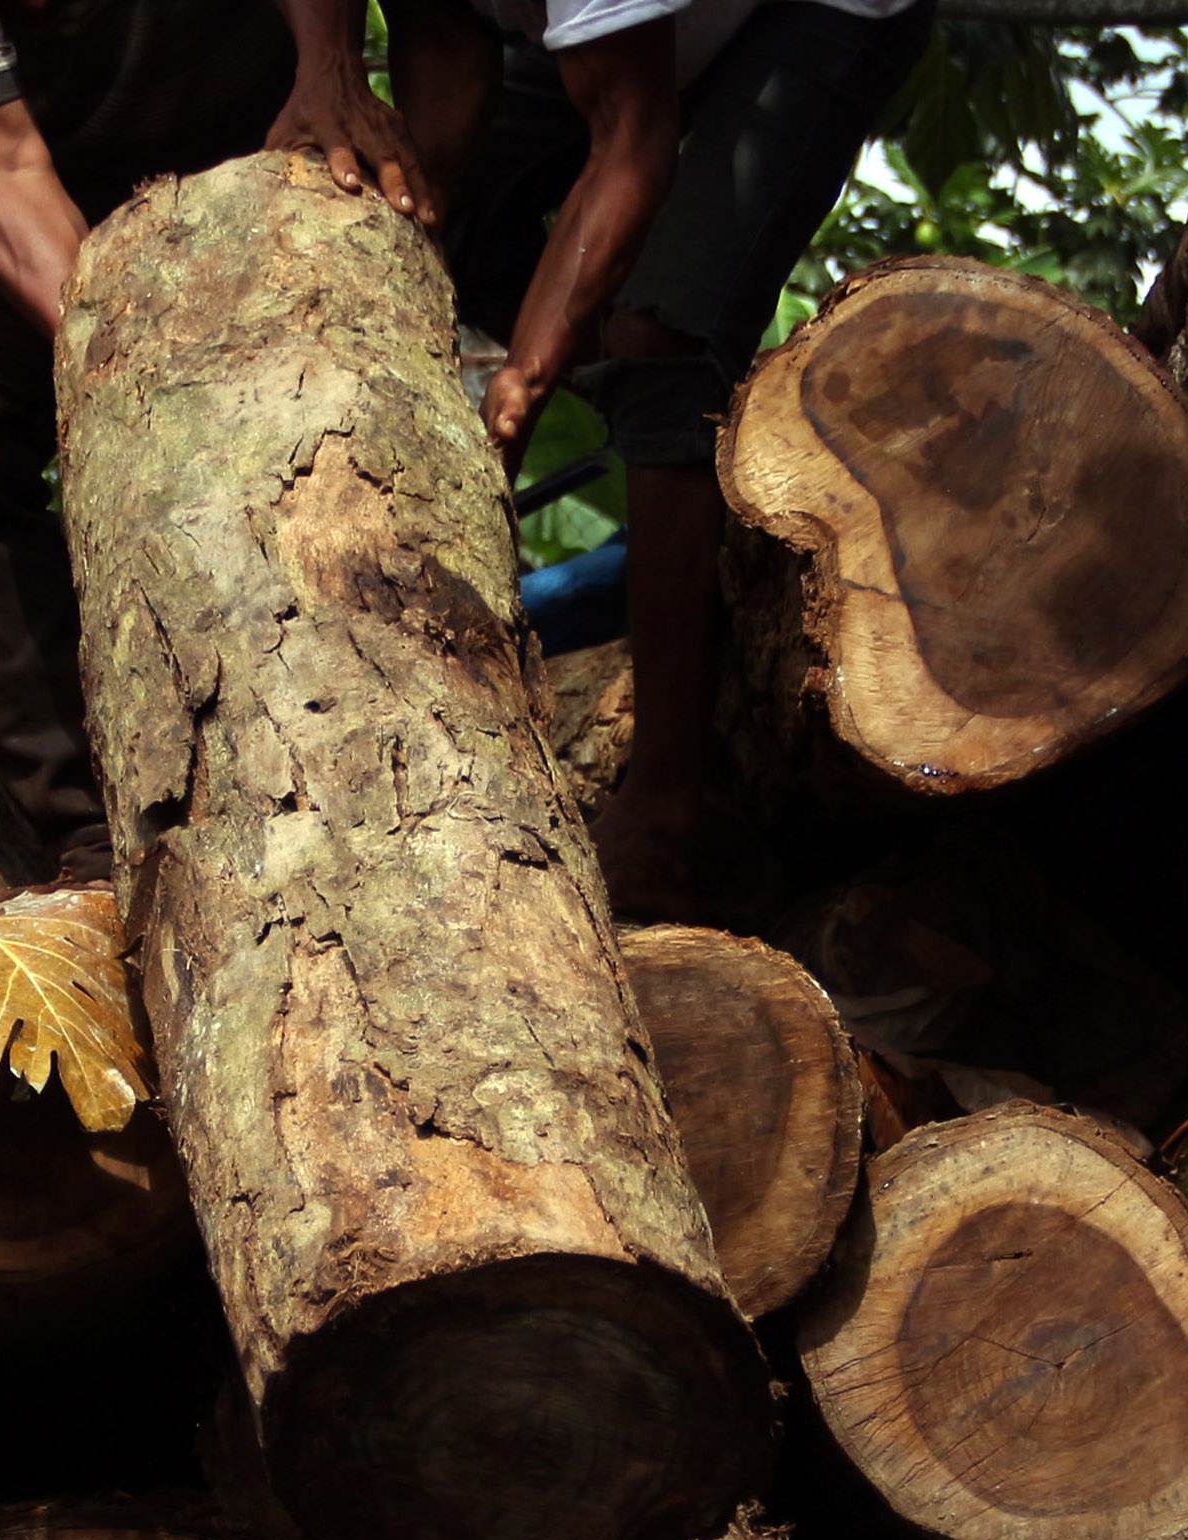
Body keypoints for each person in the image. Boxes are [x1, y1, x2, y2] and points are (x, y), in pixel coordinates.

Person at [0, 0, 431, 881]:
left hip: (282, 135)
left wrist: (329, 65)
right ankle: (90, 839)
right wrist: (127, 353)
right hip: (70, 196)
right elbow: (0, 162)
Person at [384, 0, 930, 916]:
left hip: (820, 12)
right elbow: (445, 47)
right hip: (649, 38)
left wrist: (523, 382)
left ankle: (672, 806)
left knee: (659, 333)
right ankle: (663, 417)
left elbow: (633, 137)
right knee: (446, 201)